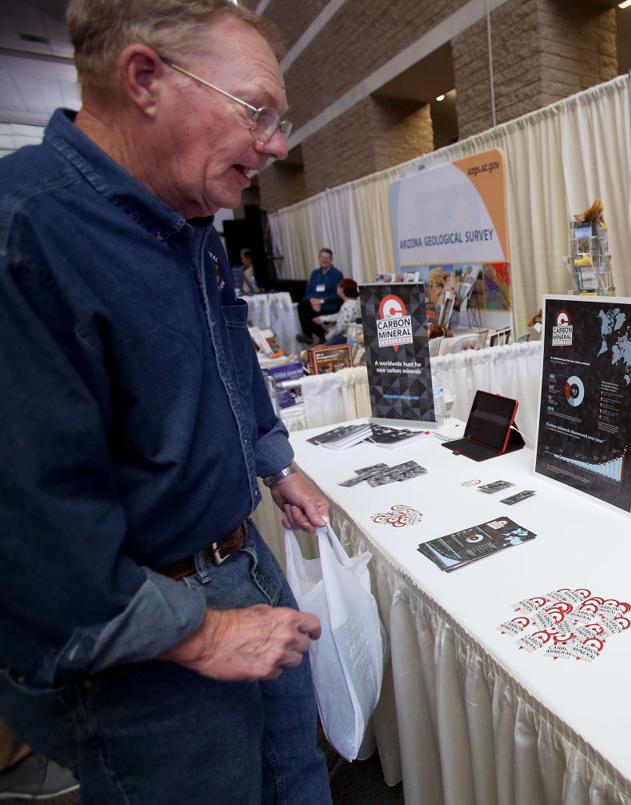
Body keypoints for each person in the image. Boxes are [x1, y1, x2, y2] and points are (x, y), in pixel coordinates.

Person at [0, 2, 332, 803]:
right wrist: (198, 630)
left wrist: (273, 460)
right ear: (145, 77)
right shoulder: (27, 236)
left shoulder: (186, 223)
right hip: (144, 637)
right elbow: (32, 529)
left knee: (298, 775)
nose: (278, 145)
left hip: (240, 563)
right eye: (259, 110)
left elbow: (228, 357)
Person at [299, 247, 343, 343]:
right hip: (314, 305)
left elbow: (338, 295)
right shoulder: (315, 273)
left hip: (329, 305)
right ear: (319, 259)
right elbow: (308, 291)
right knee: (302, 307)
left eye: (327, 258)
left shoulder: (337, 274)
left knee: (307, 314)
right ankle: (310, 336)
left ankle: (322, 336)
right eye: (322, 257)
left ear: (331, 260)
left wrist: (321, 302)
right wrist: (312, 301)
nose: (324, 260)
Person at [319, 277, 360, 345]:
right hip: (351, 335)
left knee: (323, 347)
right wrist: (322, 318)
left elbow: (341, 327)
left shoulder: (347, 306)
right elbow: (340, 316)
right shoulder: (354, 303)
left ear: (341, 289)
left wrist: (329, 335)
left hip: (346, 337)